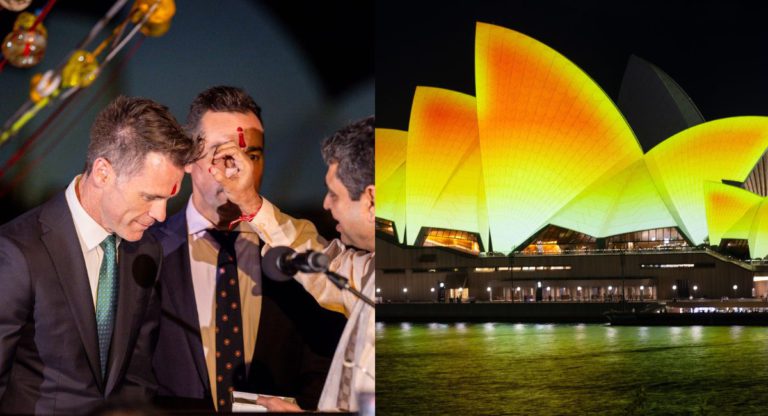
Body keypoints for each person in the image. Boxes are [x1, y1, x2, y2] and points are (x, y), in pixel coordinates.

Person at [0, 96, 200, 414]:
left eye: (169, 197)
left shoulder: (146, 251)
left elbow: (137, 372)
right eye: (150, 196)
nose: (161, 214)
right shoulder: (18, 251)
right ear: (103, 173)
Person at [150, 86, 345, 411]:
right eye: (223, 153)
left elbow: (323, 360)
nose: (238, 170)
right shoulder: (144, 251)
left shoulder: (293, 249)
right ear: (187, 158)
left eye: (252, 155)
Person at [207, 116, 375, 412]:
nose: (325, 204)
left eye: (334, 194)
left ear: (371, 200)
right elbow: (325, 265)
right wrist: (249, 201)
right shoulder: (375, 271)